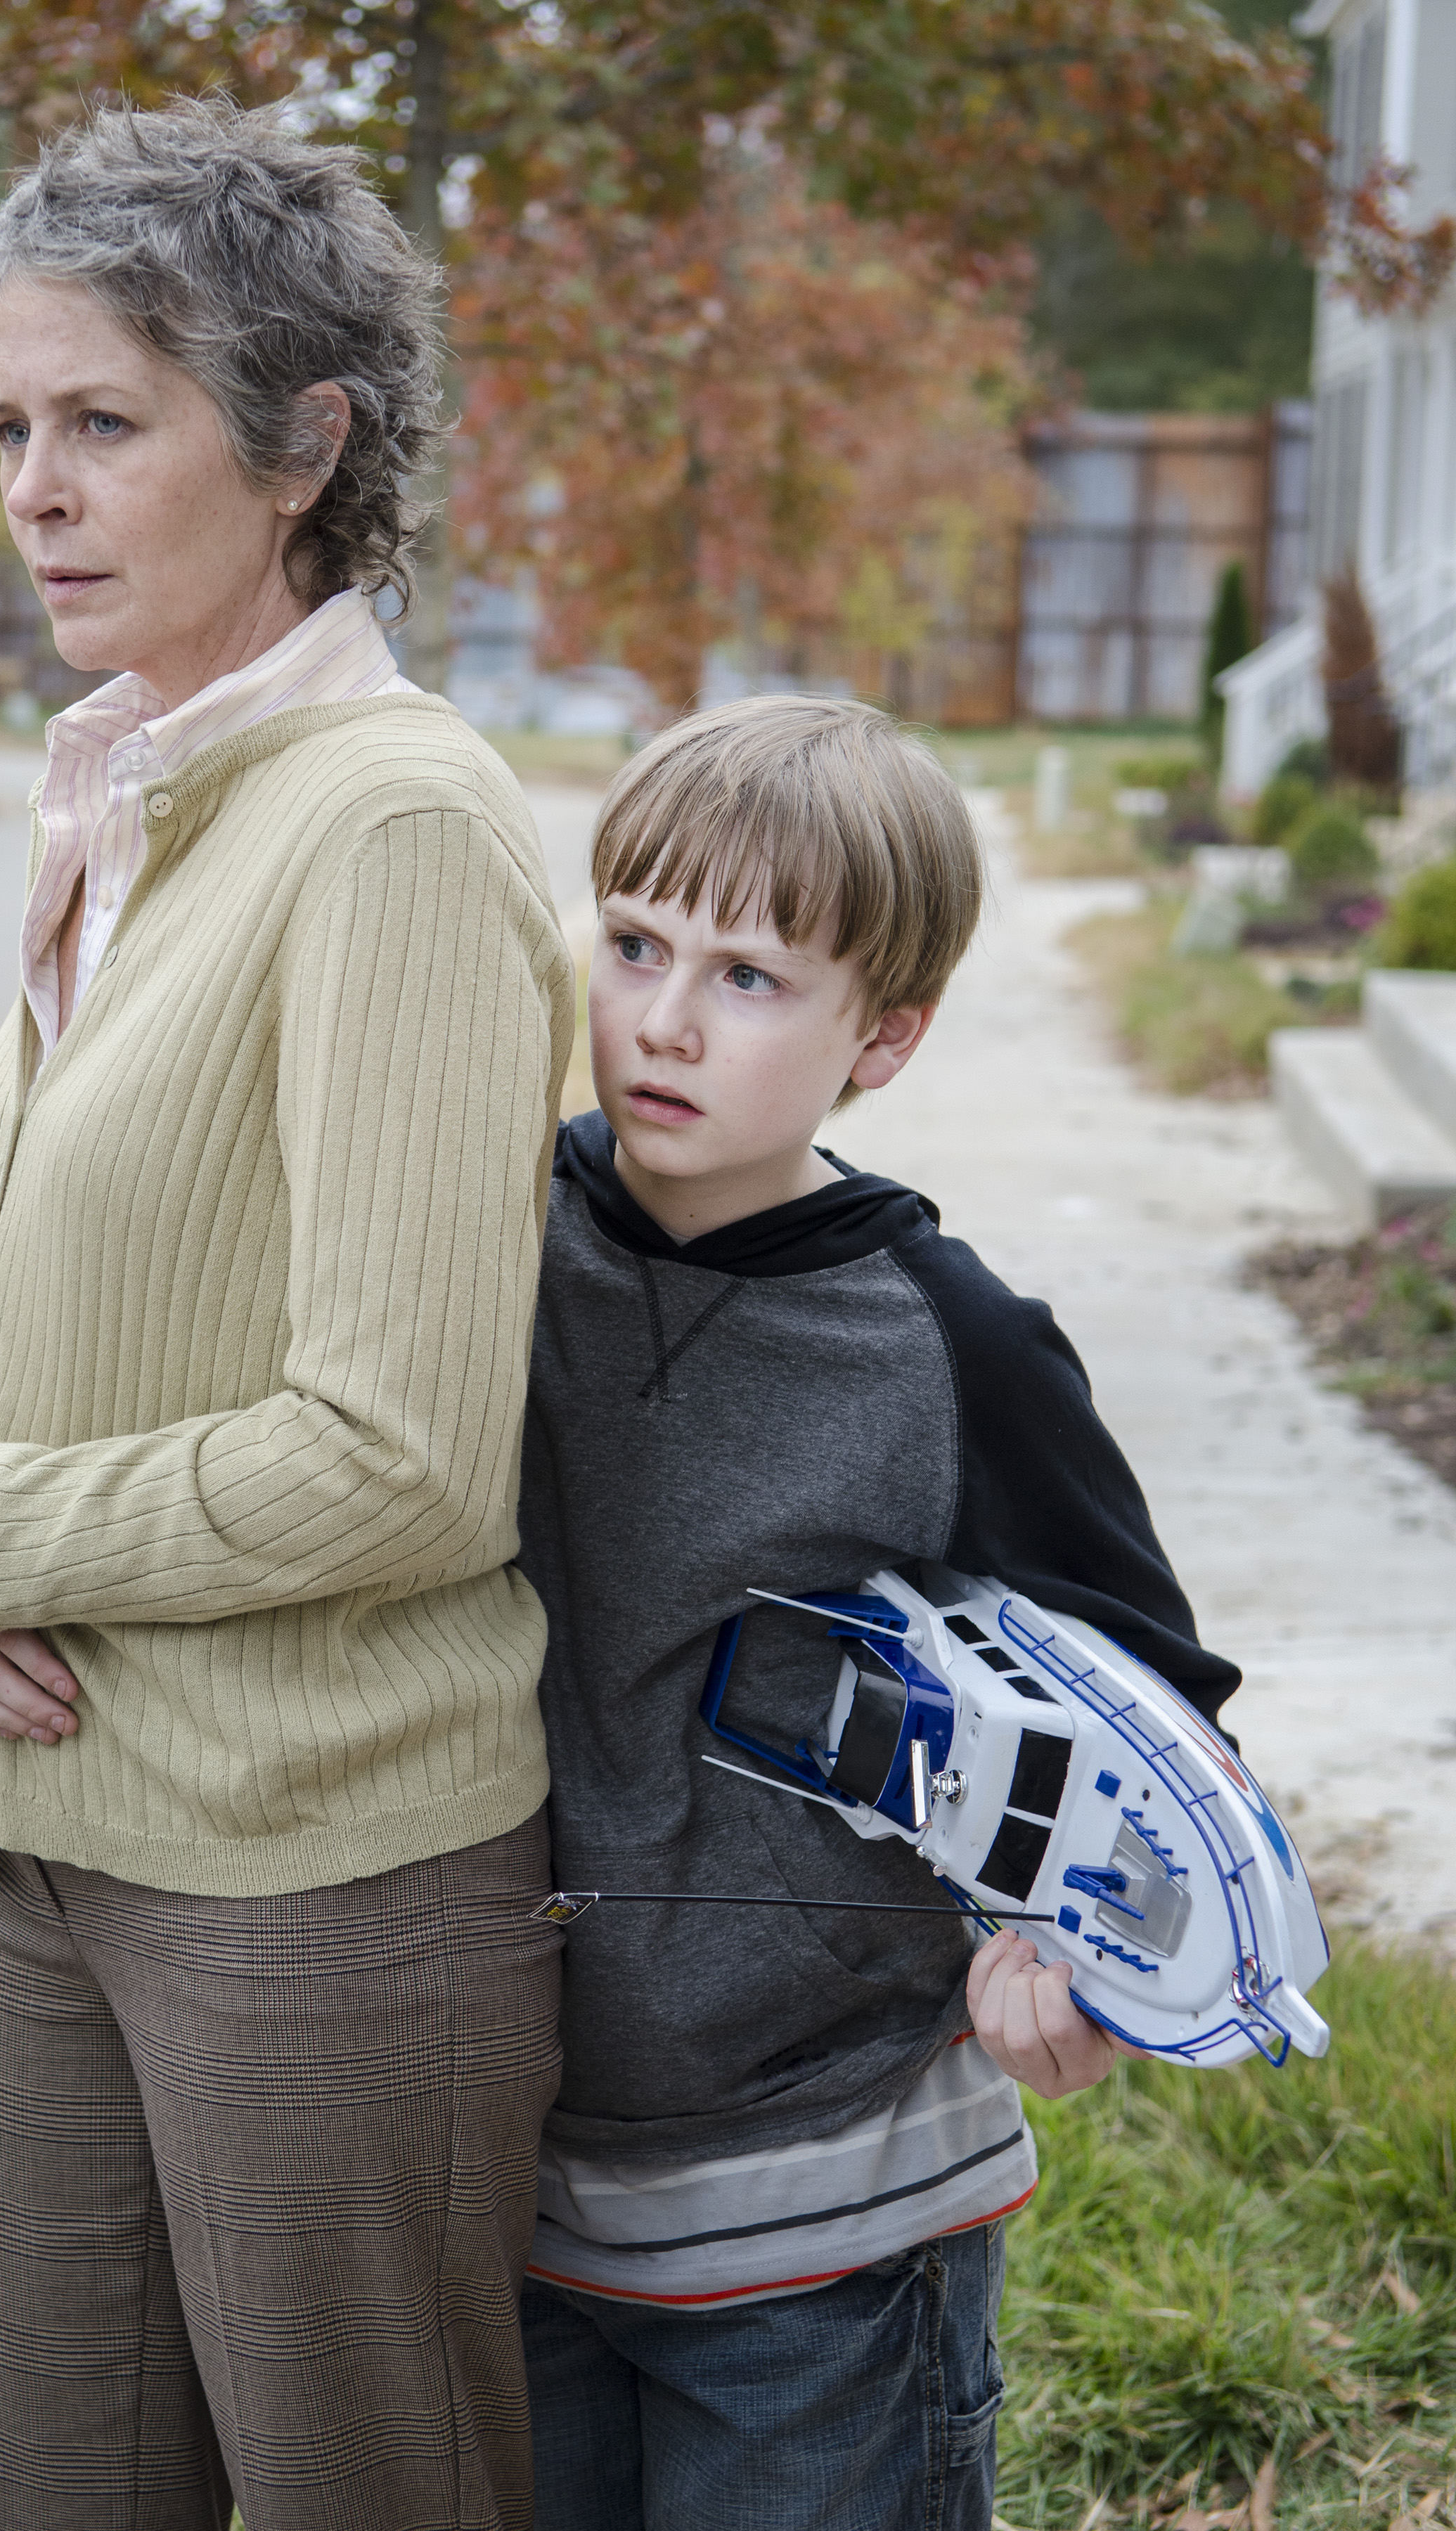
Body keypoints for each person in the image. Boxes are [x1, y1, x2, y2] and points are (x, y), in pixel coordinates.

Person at [0, 98, 573, 2531]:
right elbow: (99, 1238)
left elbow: (400, 1450)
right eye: (13, 429)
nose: (34, 489)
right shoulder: (124, 794)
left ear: (301, 447)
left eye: (105, 423)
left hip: (314, 1883)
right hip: (42, 1843)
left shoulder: (393, 829)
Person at [514, 696, 1240, 2531]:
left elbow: (1151, 1710)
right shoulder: (491, 1233)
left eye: (752, 977)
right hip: (517, 2188)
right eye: (635, 943)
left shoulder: (953, 1341)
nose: (665, 1017)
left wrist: (1072, 1952)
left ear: (885, 1038)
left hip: (830, 2218)